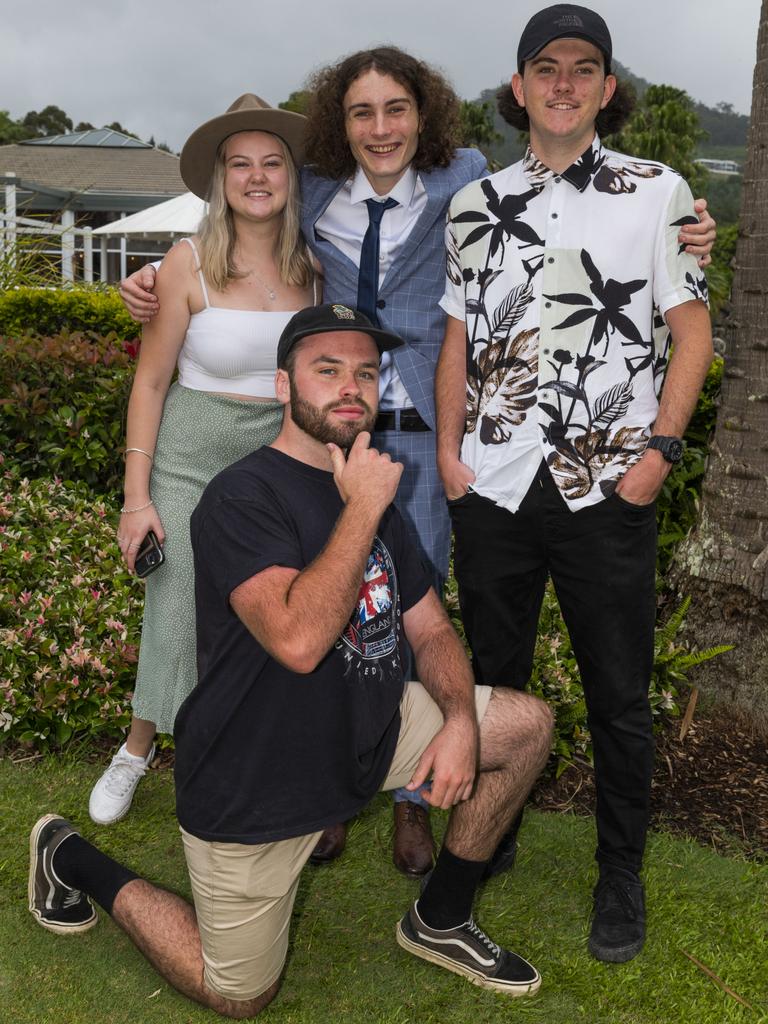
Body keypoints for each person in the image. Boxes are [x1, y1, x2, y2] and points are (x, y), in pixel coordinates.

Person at [117, 47, 716, 876]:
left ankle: (411, 805)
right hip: (334, 429)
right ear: (341, 125)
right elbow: (244, 229)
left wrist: (692, 228)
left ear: (422, 117)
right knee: (324, 597)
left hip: (431, 436)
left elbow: (562, 228)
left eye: (396, 109)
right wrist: (157, 273)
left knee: (413, 597)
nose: (380, 128)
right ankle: (326, 793)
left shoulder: (464, 181)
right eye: (362, 113)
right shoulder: (318, 186)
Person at [29, 304, 555, 1017]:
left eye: (365, 373)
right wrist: (363, 509)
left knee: (523, 727)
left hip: (364, 726)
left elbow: (429, 630)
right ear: (283, 386)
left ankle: (440, 918)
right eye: (327, 370)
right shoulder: (241, 498)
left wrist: (460, 718)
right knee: (239, 992)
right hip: (256, 775)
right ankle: (69, 855)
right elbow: (298, 641)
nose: (351, 387)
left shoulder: (371, 493)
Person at [435, 4, 715, 965]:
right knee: (491, 684)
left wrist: (658, 457)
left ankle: (619, 875)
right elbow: (459, 339)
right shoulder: (476, 203)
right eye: (543, 67)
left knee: (617, 697)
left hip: (608, 488)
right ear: (518, 88)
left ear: (604, 87)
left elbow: (693, 331)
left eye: (582, 67)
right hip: (496, 486)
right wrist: (448, 455)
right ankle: (491, 833)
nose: (562, 83)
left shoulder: (659, 190)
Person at [88, 94, 317, 827]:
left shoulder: (313, 266)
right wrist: (136, 496)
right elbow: (151, 381)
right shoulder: (185, 262)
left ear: (290, 175)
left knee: (267, 609)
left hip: (276, 454)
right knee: (177, 604)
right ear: (221, 179)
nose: (257, 177)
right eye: (240, 164)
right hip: (188, 453)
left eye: (271, 162)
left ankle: (244, 751)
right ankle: (136, 748)